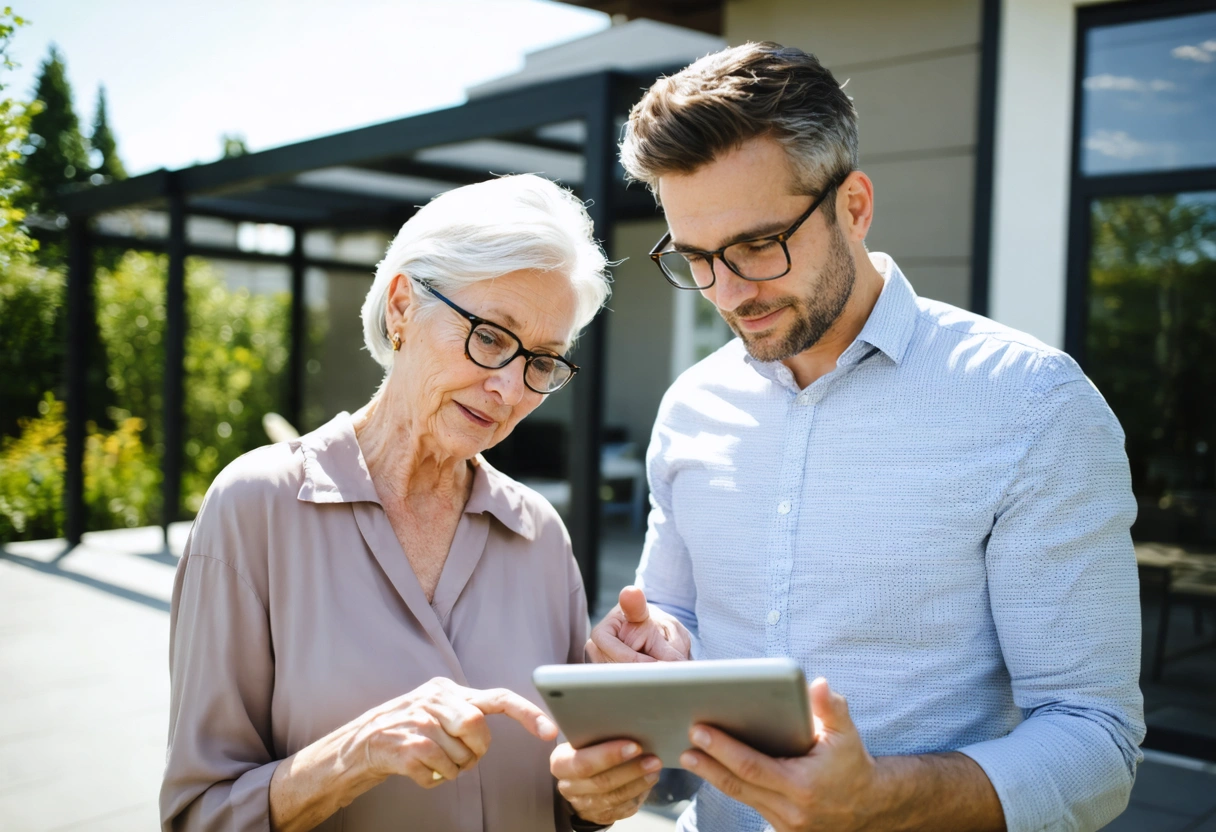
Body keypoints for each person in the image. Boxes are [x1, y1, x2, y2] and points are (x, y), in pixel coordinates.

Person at [551, 43, 1144, 832]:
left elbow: (1096, 738)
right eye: (696, 258)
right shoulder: (692, 404)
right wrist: (653, 642)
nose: (728, 292)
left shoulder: (1032, 406)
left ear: (855, 206)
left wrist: (881, 799)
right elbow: (674, 609)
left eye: (760, 244)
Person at [161, 174, 620, 831]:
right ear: (403, 306)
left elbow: (570, 795)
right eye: (490, 336)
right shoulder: (255, 508)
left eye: (542, 361)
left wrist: (604, 794)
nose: (509, 387)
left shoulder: (540, 535)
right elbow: (198, 817)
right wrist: (359, 752)